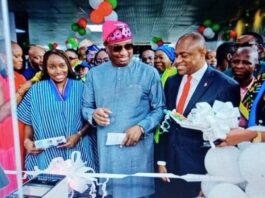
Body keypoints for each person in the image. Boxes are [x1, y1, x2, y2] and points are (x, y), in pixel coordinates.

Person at [82, 20, 165, 198]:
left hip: (139, 152)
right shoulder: (94, 75)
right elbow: (86, 107)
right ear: (106, 47)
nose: (124, 53)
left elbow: (159, 109)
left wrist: (142, 127)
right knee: (109, 193)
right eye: (117, 48)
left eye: (128, 47)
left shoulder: (149, 73)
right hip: (107, 155)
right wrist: (93, 115)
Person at [157, 32, 240, 198]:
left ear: (202, 53)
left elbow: (227, 137)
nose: (177, 61)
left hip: (202, 170)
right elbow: (166, 122)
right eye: (176, 55)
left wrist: (213, 180)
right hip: (169, 168)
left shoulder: (226, 86)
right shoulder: (172, 82)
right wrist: (161, 160)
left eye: (184, 55)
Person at [17, 49, 96, 173]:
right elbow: (29, 121)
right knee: (50, 190)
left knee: (81, 189)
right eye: (52, 67)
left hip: (78, 150)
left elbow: (91, 117)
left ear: (68, 66)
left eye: (62, 65)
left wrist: (79, 135)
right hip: (46, 155)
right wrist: (27, 141)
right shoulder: (35, 90)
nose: (58, 71)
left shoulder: (82, 87)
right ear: (45, 69)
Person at [230, 47, 259, 127]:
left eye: (246, 63)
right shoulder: (222, 86)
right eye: (235, 62)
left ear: (256, 67)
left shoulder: (260, 90)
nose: (239, 66)